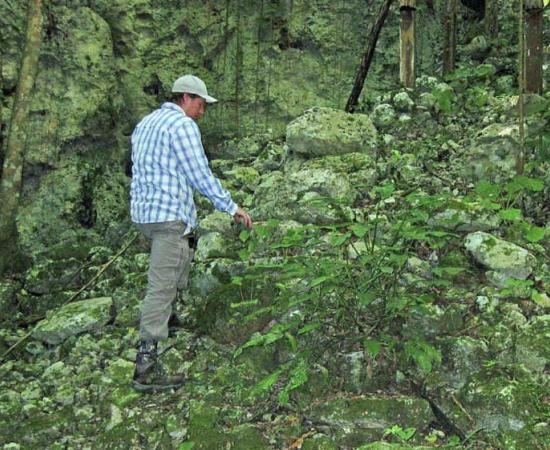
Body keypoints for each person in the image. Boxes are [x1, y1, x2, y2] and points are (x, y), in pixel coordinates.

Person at [130, 74, 252, 392]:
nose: (202, 111)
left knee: (179, 257)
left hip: (146, 215)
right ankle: (146, 364)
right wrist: (231, 207)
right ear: (186, 98)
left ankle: (168, 318)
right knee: (162, 284)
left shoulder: (146, 123)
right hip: (168, 216)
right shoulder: (182, 126)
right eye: (200, 104)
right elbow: (199, 173)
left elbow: (142, 167)